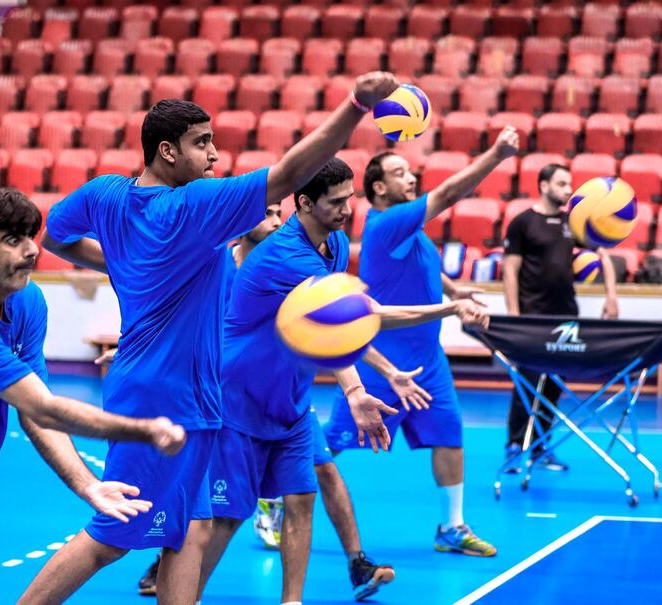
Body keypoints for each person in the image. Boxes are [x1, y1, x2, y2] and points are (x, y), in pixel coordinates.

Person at [17, 72, 402, 605]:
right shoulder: (191, 207)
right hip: (158, 401)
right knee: (112, 539)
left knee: (189, 533)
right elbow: (290, 173)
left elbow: (54, 232)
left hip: (194, 400)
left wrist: (119, 266)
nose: (216, 155)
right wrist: (357, 104)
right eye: (204, 144)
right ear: (168, 151)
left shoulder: (107, 193)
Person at [195, 158, 490, 605]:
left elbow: (337, 326)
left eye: (349, 197)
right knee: (228, 517)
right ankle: (185, 592)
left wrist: (364, 384)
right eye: (335, 201)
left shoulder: (331, 242)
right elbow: (364, 317)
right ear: (306, 203)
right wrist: (449, 310)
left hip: (290, 397)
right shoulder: (285, 258)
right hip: (242, 400)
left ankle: (294, 600)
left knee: (303, 497)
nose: (347, 209)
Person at [0, 188, 187, 605]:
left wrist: (88, 486)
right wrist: (144, 429)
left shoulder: (25, 302)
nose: (31, 251)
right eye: (12, 240)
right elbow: (46, 406)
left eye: (31, 237)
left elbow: (34, 413)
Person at [324, 128, 521, 558]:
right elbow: (450, 192)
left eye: (410, 171)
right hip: (383, 359)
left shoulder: (408, 229)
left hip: (428, 359)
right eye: (399, 173)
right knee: (331, 443)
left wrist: (455, 292)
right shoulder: (387, 223)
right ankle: (274, 502)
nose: (411, 177)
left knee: (450, 435)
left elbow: (425, 263)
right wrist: (497, 154)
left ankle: (451, 528)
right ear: (378, 187)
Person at [135, 203, 283, 597]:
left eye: (280, 212)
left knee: (317, 475)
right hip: (215, 394)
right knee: (207, 499)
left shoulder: (284, 266)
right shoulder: (219, 265)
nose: (276, 221)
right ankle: (172, 568)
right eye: (267, 211)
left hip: (275, 390)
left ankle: (273, 502)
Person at [502, 163, 619, 472]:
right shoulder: (523, 223)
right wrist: (514, 314)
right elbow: (510, 270)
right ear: (543, 185)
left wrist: (611, 296)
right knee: (527, 382)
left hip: (567, 316)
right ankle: (515, 445)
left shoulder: (574, 223)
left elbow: (603, 254)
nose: (569, 189)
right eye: (562, 183)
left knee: (554, 384)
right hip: (532, 318)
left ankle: (542, 447)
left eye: (570, 184)